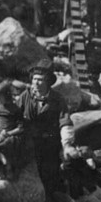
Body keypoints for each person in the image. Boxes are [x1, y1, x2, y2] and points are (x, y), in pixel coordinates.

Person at [17, 59, 73, 194]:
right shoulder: (25, 96)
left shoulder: (58, 99)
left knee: (51, 178)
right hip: (29, 144)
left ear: (48, 82)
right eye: (34, 79)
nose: (36, 83)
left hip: (50, 146)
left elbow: (65, 123)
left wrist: (66, 145)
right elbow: (14, 115)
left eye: (40, 80)